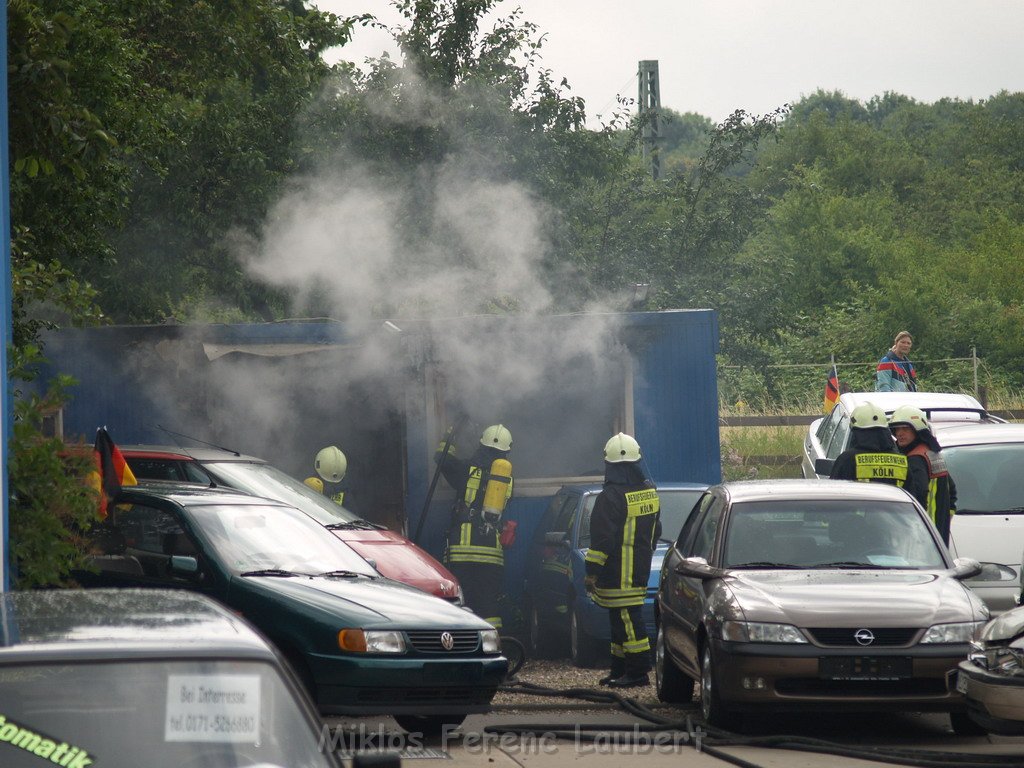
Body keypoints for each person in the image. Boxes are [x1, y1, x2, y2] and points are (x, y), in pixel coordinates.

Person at [584, 433, 661, 689]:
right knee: (619, 623)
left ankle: (638, 673)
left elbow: (601, 540)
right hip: (639, 570)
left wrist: (591, 572)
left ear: (610, 464)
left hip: (617, 573)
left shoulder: (610, 497)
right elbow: (655, 531)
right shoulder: (649, 492)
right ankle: (619, 670)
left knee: (628, 621)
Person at [437, 424, 514, 629]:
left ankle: (462, 647)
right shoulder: (507, 480)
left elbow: (441, 458)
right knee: (489, 606)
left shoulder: (466, 470)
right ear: (507, 451)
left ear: (481, 445)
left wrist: (450, 435)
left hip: (462, 552)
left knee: (461, 602)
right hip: (492, 554)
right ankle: (493, 646)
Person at [830, 401, 928, 503]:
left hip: (855, 519)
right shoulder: (902, 461)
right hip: (895, 518)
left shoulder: (847, 460)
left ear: (856, 431)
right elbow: (912, 499)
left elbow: (832, 498)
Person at [889, 405, 958, 545]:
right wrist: (944, 518)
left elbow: (917, 495)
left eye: (905, 429)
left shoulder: (915, 459)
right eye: (897, 429)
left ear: (917, 430)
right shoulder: (931, 453)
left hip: (922, 534)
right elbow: (952, 490)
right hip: (937, 533)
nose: (899, 433)